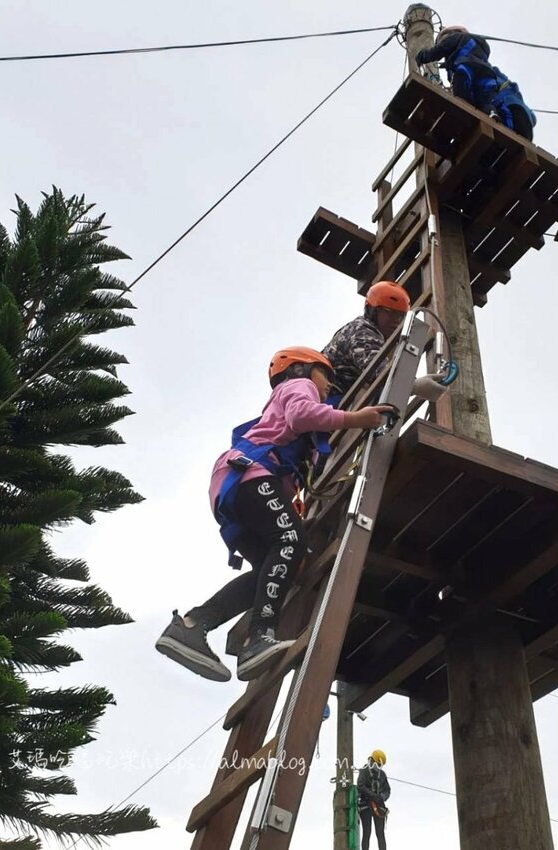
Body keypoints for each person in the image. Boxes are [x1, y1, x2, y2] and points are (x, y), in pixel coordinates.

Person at [155, 347, 392, 682]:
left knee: (271, 569)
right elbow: (302, 415)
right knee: (290, 541)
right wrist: (358, 419)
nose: (328, 385)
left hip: (236, 485)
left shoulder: (297, 408)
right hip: (250, 474)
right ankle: (259, 638)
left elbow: (314, 423)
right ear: (302, 369)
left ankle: (192, 626)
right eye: (326, 374)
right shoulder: (297, 386)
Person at [415, 26, 536, 141]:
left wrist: (422, 56)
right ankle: (491, 113)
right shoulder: (479, 47)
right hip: (486, 73)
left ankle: (464, 108)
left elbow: (438, 51)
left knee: (461, 88)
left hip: (466, 66)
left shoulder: (456, 39)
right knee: (484, 99)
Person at [322, 281, 411, 401]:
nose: (396, 320)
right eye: (390, 313)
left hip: (341, 396)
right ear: (372, 311)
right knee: (377, 391)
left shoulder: (380, 337)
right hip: (328, 398)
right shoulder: (362, 331)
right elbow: (379, 370)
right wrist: (415, 385)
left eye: (401, 316)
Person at [357, 749, 390, 850]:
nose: (378, 767)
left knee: (380, 833)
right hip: (366, 805)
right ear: (373, 761)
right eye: (378, 764)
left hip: (379, 806)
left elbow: (387, 790)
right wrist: (372, 796)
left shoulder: (382, 775)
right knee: (367, 832)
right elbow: (360, 786)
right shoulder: (364, 772)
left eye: (380, 765)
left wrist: (381, 797)